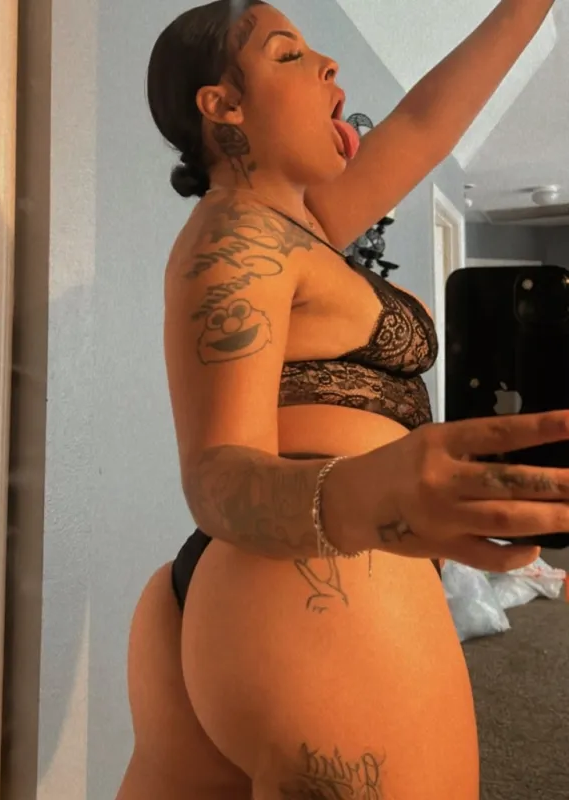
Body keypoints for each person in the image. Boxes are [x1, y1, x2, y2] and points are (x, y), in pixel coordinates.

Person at [117, 1, 562, 798]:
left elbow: (425, 122)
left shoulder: (305, 227)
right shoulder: (240, 237)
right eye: (289, 54)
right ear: (223, 105)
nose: (330, 66)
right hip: (318, 581)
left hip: (240, 599)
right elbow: (214, 474)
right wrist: (368, 496)